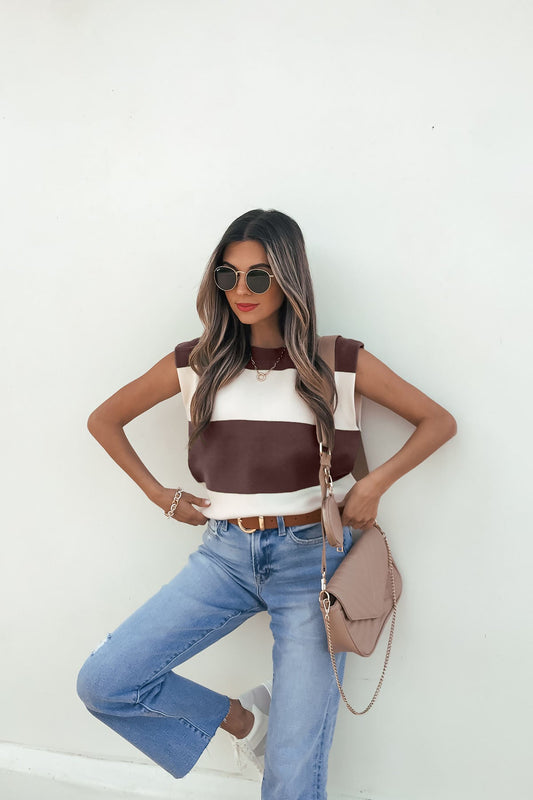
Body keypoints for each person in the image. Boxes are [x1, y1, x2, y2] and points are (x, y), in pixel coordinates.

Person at [76, 208, 457, 799]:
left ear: (289, 280)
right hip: (223, 556)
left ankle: (274, 741)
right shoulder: (196, 361)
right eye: (228, 277)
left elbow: (437, 421)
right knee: (107, 681)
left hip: (313, 564)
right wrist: (160, 494)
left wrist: (373, 484)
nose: (242, 291)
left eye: (259, 277)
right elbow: (105, 419)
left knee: (292, 773)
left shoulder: (339, 361)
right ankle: (245, 722)